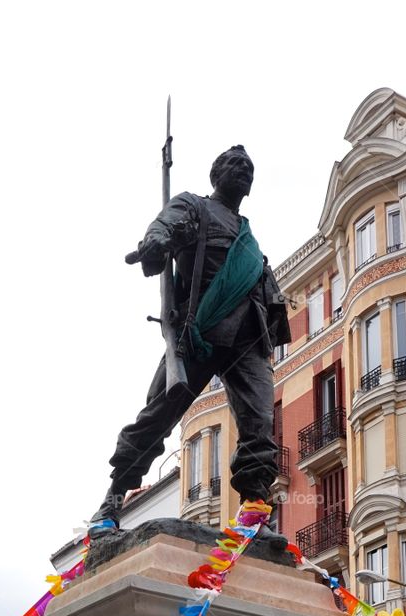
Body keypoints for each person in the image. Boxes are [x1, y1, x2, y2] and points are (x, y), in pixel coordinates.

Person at [89, 145, 290, 535]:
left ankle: (253, 507)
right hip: (200, 332)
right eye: (235, 165)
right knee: (158, 415)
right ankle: (113, 498)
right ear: (216, 174)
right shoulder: (194, 206)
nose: (244, 171)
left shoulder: (247, 234)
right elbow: (165, 225)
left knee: (259, 422)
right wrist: (156, 241)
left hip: (249, 338)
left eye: (249, 167)